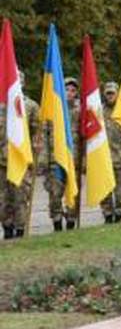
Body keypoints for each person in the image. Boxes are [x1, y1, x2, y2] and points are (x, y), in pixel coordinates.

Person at [0, 72, 41, 239]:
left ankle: (19, 230)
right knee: (3, 199)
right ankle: (7, 228)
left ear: (23, 83)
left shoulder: (30, 106)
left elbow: (36, 133)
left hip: (21, 160)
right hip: (1, 161)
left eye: (18, 80)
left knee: (20, 198)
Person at [44, 76, 80, 231]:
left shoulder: (81, 111)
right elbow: (44, 136)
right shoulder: (51, 110)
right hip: (56, 159)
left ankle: (71, 221)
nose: (69, 93)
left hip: (74, 159)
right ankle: (57, 223)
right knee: (55, 194)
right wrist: (43, 161)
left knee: (73, 193)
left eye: (73, 90)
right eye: (66, 89)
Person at [100, 81, 121, 224]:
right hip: (103, 159)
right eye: (108, 93)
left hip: (120, 159)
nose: (110, 96)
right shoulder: (98, 111)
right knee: (105, 190)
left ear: (117, 94)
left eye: (112, 93)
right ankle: (107, 215)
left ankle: (119, 216)